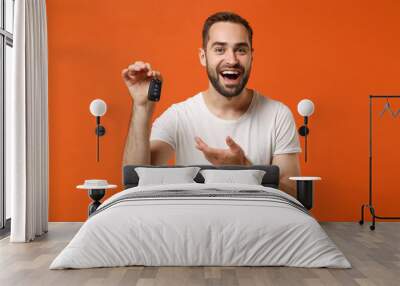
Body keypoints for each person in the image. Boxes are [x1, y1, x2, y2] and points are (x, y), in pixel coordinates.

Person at [121, 11, 301, 196]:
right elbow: (136, 181)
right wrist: (141, 108)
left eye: (241, 50)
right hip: (193, 223)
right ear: (203, 56)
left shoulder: (278, 115)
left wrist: (244, 169)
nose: (232, 60)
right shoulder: (179, 117)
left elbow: (293, 196)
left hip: (257, 223)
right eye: (219, 49)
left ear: (251, 57)